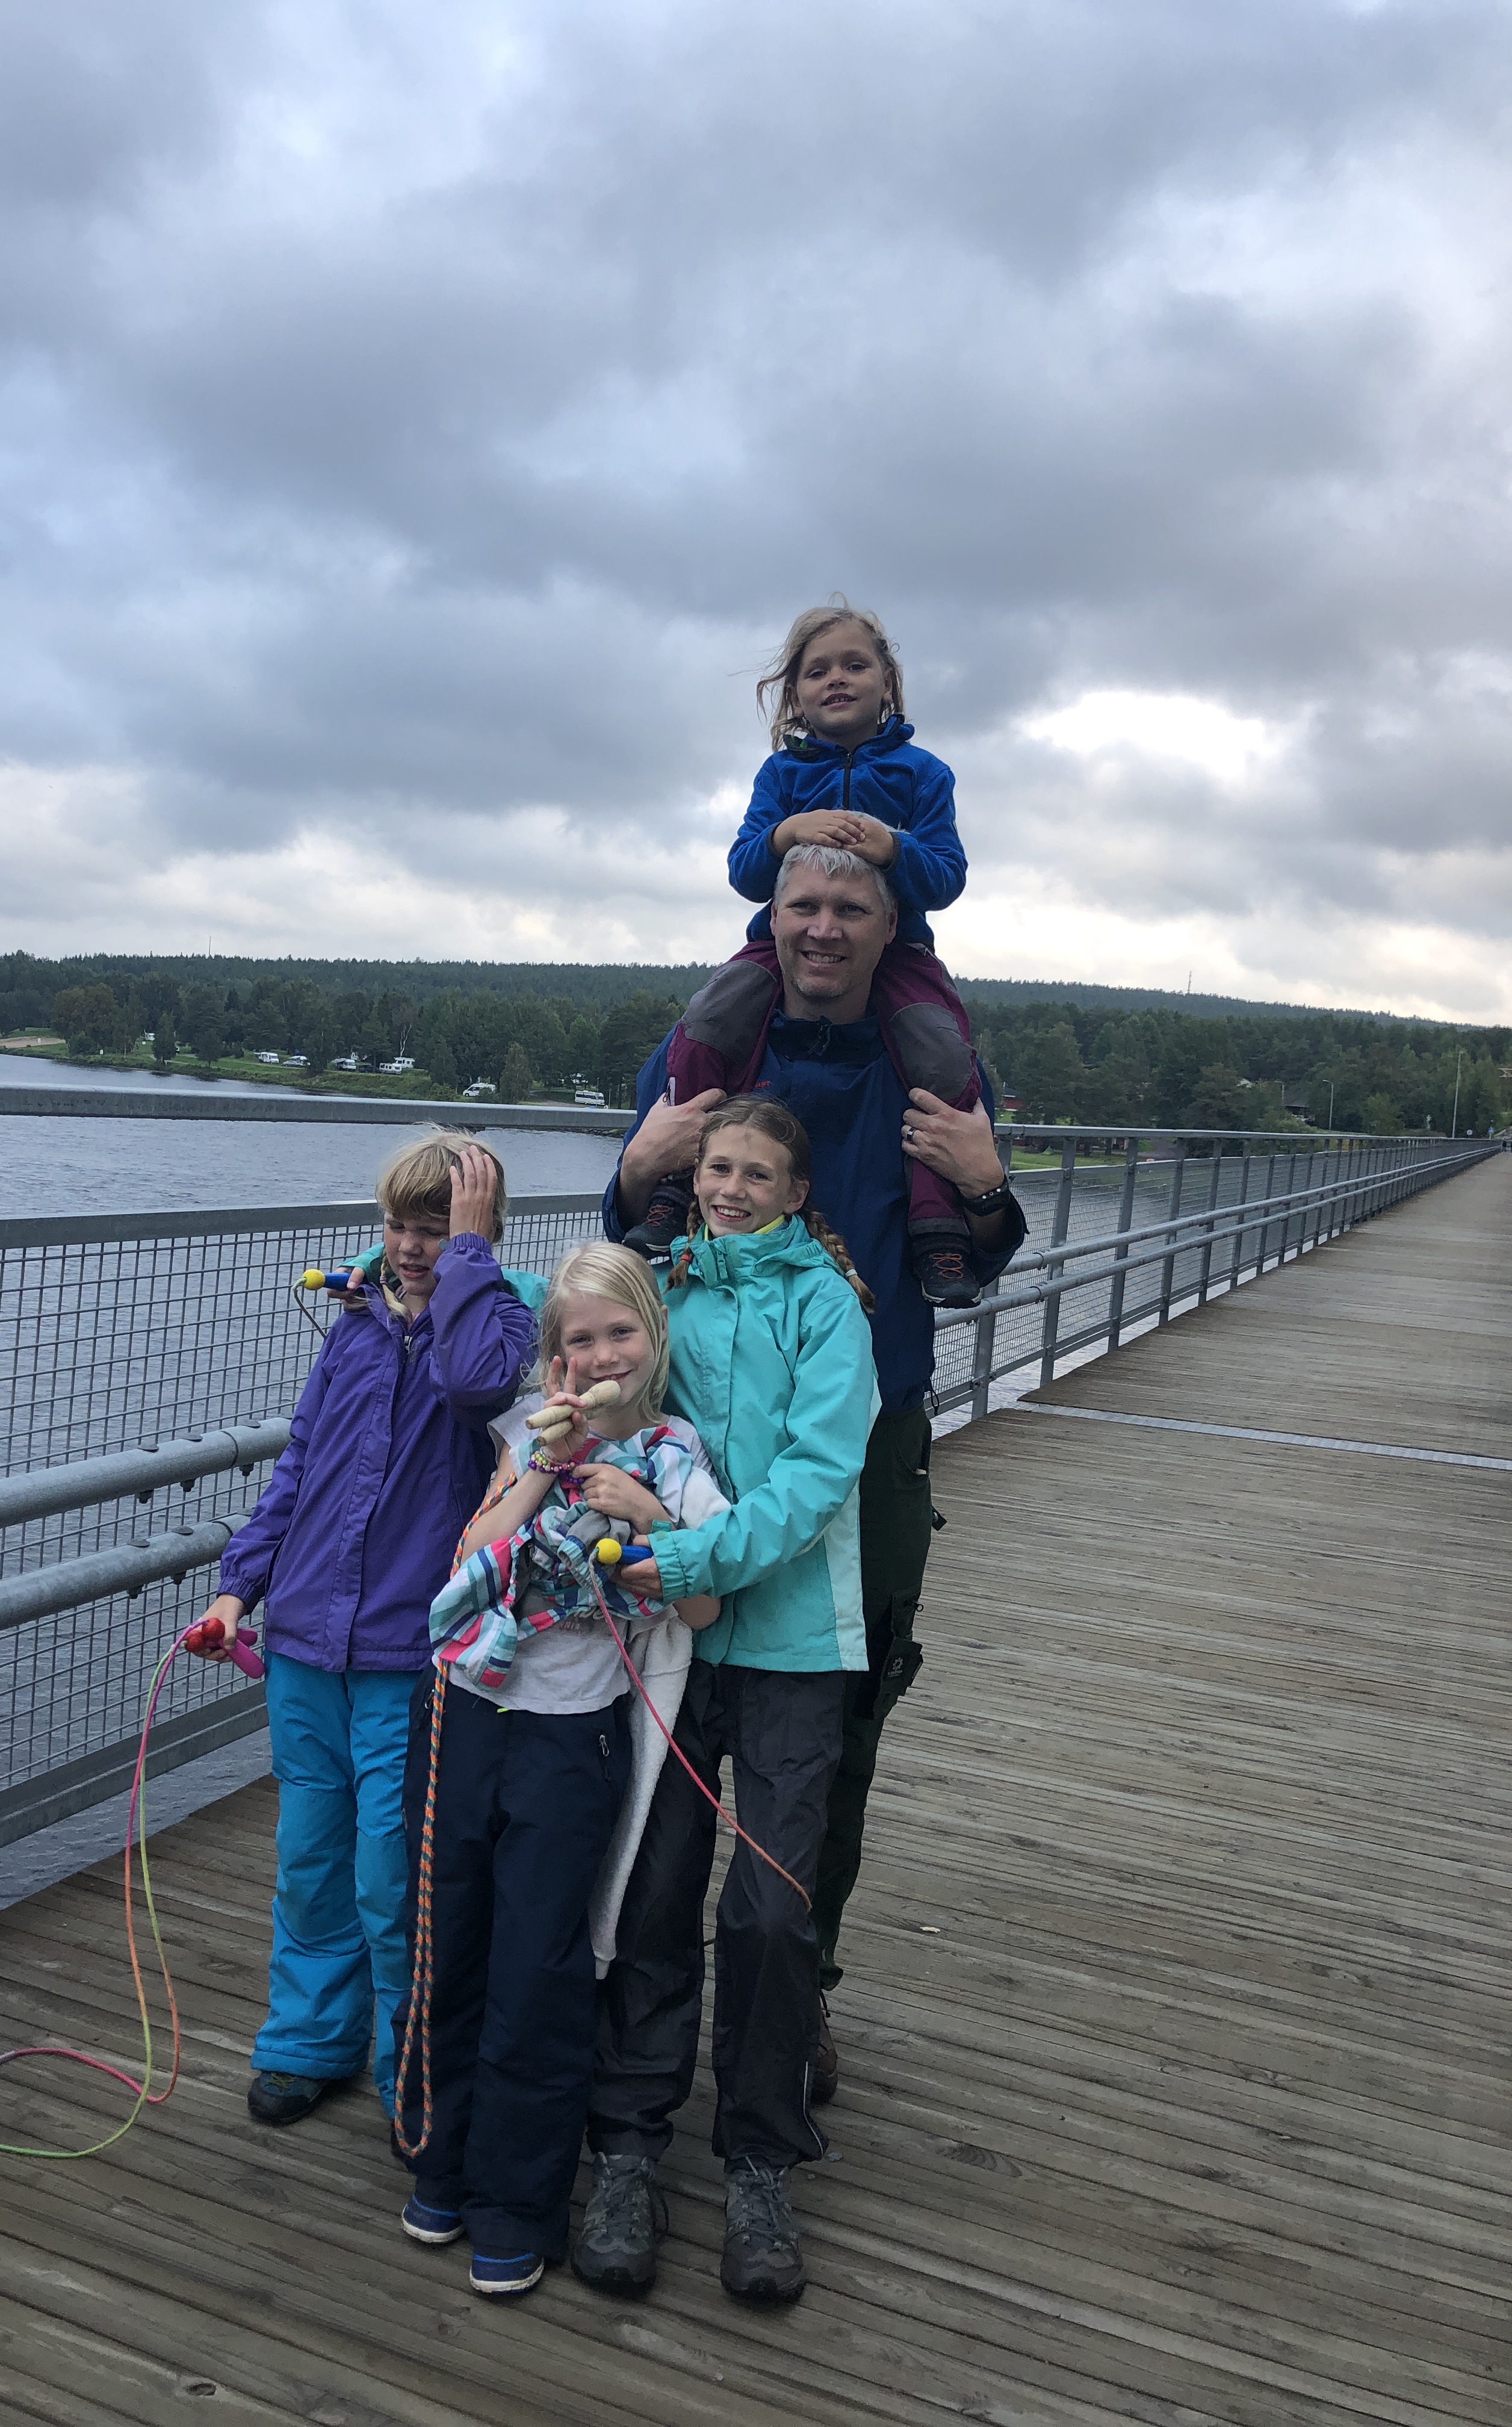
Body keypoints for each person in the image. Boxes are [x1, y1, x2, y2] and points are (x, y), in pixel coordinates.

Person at [603, 842, 1026, 2133]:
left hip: (863, 1438)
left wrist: (986, 1182)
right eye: (803, 906)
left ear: (892, 927)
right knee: (655, 1718)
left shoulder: (927, 1056)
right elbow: (633, 1241)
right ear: (769, 919)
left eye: (850, 909)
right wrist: (631, 1168)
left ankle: (801, 1985)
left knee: (838, 1726)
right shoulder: (709, 1049)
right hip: (690, 1446)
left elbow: (979, 1255)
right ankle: (630, 1992)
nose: (823, 928)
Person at [578, 1097, 881, 2307]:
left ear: (797, 1194)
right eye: (716, 1168)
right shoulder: (666, 1292)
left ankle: (759, 2156)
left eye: (758, 1173)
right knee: (652, 1890)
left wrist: (691, 1556)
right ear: (690, 1176)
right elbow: (587, 1353)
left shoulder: (827, 1307)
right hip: (672, 1641)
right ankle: (627, 2142)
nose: (731, 1188)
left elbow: (816, 1477)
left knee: (766, 1910)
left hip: (793, 1646)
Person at [392, 1244, 727, 2299]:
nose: (601, 1356)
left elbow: (703, 1601)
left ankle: (516, 2201)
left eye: (620, 1334)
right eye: (579, 1341)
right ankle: (439, 2161)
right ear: (554, 1360)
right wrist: (546, 1457)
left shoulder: (675, 1455)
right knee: (448, 1939)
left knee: (538, 1966)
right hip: (462, 1715)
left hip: (571, 1735)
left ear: (652, 1338)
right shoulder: (522, 1438)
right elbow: (469, 1557)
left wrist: (644, 1512)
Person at [188, 1133, 536, 2131]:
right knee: (310, 1856)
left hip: (405, 1653)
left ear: (477, 1234)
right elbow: (299, 1466)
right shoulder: (352, 1326)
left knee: (395, 1871)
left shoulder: (501, 1324)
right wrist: (238, 1589)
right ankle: (307, 2039)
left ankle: (409, 2061)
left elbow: (474, 1388)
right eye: (398, 1226)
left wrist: (469, 1261)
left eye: (436, 1228)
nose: (412, 1246)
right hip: (304, 1637)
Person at [625, 598, 987, 1306]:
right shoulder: (782, 776)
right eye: (818, 671)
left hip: (900, 952)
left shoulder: (923, 774)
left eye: (855, 665)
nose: (837, 679)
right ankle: (672, 1185)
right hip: (773, 952)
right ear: (795, 693)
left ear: (888, 682)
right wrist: (788, 832)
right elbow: (745, 872)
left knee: (943, 1054)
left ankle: (938, 1223)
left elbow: (946, 877)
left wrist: (894, 847)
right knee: (707, 1025)